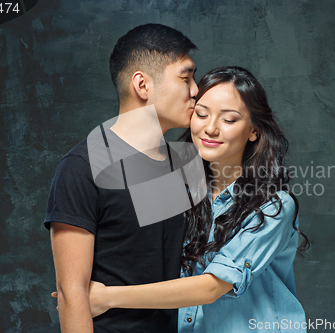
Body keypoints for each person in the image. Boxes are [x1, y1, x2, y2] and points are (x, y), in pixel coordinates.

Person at [82, 66, 310, 332]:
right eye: (201, 114)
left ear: (253, 131)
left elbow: (212, 286)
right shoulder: (175, 189)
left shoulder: (274, 206)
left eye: (229, 120)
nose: (210, 128)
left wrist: (107, 297)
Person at [44, 23, 198, 333]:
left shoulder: (184, 166)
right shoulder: (82, 168)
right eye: (185, 77)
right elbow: (72, 294)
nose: (195, 90)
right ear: (142, 85)